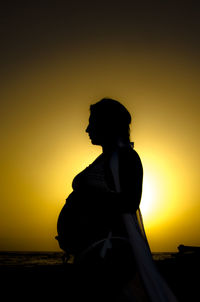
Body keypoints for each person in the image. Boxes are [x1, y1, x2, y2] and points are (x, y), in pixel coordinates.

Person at [56, 98, 178, 301]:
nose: (87, 129)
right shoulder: (105, 158)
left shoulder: (127, 157)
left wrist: (85, 213)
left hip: (111, 256)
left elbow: (130, 202)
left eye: (92, 122)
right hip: (95, 253)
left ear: (107, 123)